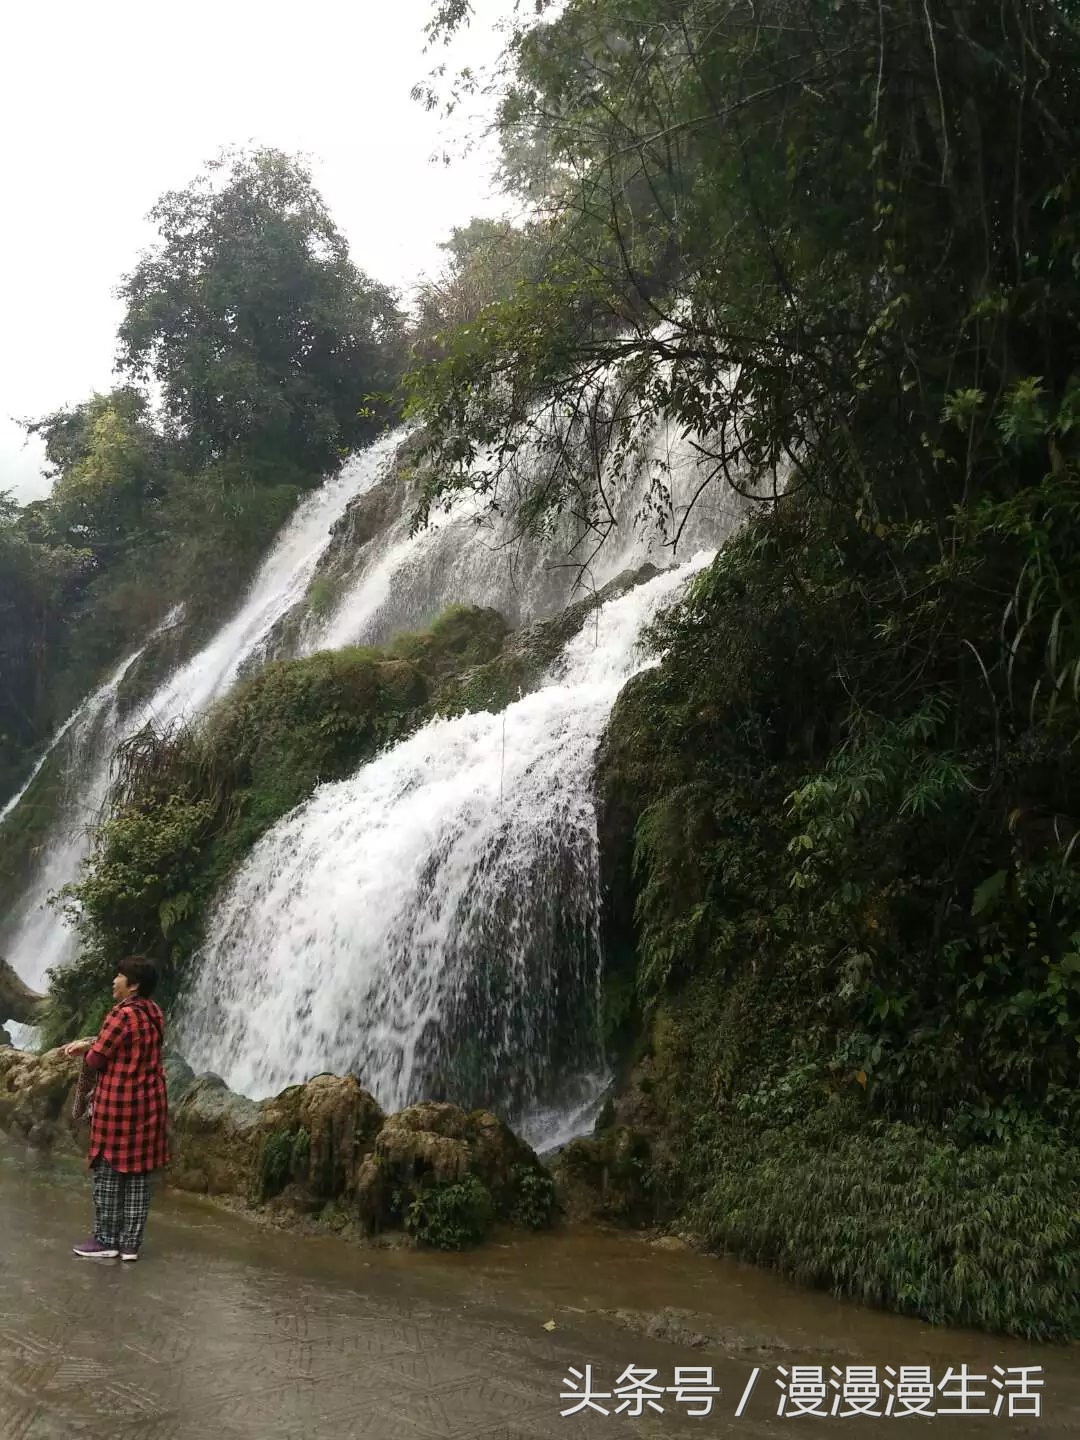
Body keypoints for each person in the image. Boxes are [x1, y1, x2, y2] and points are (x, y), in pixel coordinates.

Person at [64, 958, 169, 1262]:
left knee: (108, 1171)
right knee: (138, 1175)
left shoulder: (121, 1015)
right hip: (150, 1103)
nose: (114, 980)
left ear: (133, 985)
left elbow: (97, 1059)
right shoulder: (154, 1012)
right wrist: (93, 1045)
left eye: (120, 976)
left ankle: (106, 1239)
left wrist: (88, 1050)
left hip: (118, 1104)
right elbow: (131, 1047)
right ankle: (130, 1245)